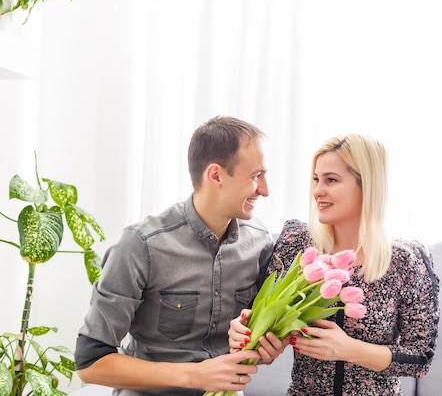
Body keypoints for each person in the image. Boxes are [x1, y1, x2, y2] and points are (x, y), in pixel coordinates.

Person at [75, 116, 286, 396]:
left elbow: (254, 330)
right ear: (216, 175)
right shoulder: (141, 245)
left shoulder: (258, 241)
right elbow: (91, 363)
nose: (265, 190)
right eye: (255, 176)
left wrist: (268, 345)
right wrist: (197, 375)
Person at [229, 133, 440, 395]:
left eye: (331, 180)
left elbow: (420, 358)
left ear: (367, 186)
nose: (318, 190)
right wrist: (251, 336)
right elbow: (263, 326)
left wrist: (348, 349)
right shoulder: (297, 242)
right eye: (316, 179)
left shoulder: (407, 260)